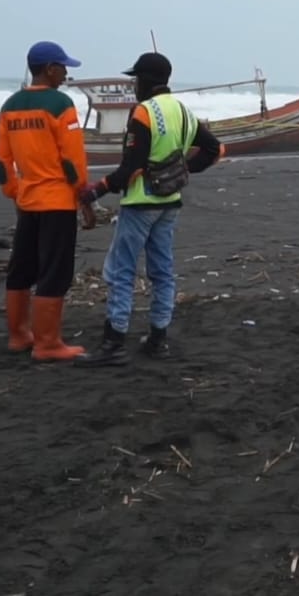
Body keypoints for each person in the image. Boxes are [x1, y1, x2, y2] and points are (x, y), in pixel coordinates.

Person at [77, 52, 224, 366]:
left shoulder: (143, 113)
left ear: (145, 80)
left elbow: (128, 170)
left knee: (120, 272)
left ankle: (114, 343)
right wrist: (182, 169)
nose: (133, 85)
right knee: (162, 271)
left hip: (140, 204)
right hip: (170, 203)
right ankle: (158, 339)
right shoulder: (183, 111)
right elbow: (215, 149)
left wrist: (94, 191)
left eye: (135, 79)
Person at [0, 42, 91, 362]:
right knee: (54, 271)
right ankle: (47, 343)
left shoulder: (10, 106)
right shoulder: (60, 104)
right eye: (63, 67)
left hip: (28, 200)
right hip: (58, 200)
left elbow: (2, 161)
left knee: (21, 269)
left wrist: (13, 191)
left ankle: (19, 335)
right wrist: (82, 193)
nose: (66, 73)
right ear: (49, 68)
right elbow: (72, 159)